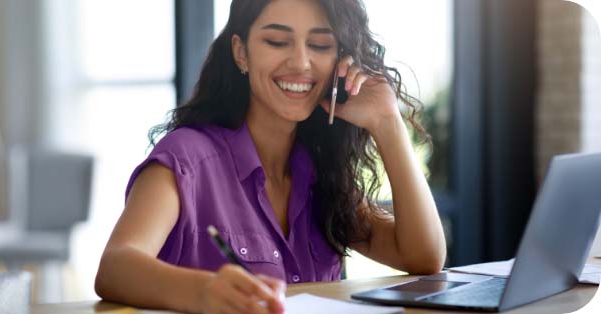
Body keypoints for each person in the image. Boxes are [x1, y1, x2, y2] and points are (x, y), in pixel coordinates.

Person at [94, 0, 446, 313]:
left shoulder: (320, 172)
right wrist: (204, 292)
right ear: (241, 52)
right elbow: (116, 266)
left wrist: (388, 122)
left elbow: (423, 256)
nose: (301, 62)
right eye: (277, 41)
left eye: (320, 45)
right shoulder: (187, 157)